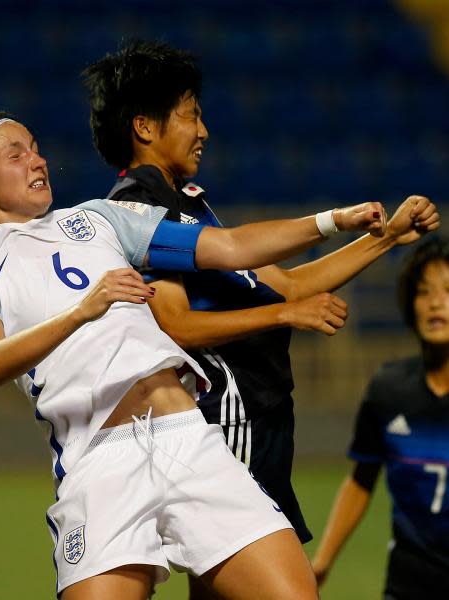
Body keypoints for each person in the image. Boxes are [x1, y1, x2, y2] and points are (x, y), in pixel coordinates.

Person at [0, 111, 435, 599]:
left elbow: (232, 247)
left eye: (34, 147)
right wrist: (82, 311)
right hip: (98, 462)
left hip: (189, 439)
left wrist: (334, 221)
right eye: (16, 153)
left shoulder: (98, 219)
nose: (37, 160)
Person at [83, 39, 439, 598]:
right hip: (227, 424)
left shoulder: (189, 205)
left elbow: (292, 282)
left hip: (260, 421)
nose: (204, 130)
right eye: (191, 115)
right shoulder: (141, 210)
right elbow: (173, 327)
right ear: (145, 127)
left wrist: (386, 238)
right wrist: (286, 314)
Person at [311, 237, 449, 597]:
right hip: (407, 584)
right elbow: (361, 480)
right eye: (423, 292)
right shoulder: (389, 389)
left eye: (448, 290)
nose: (435, 302)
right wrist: (322, 562)